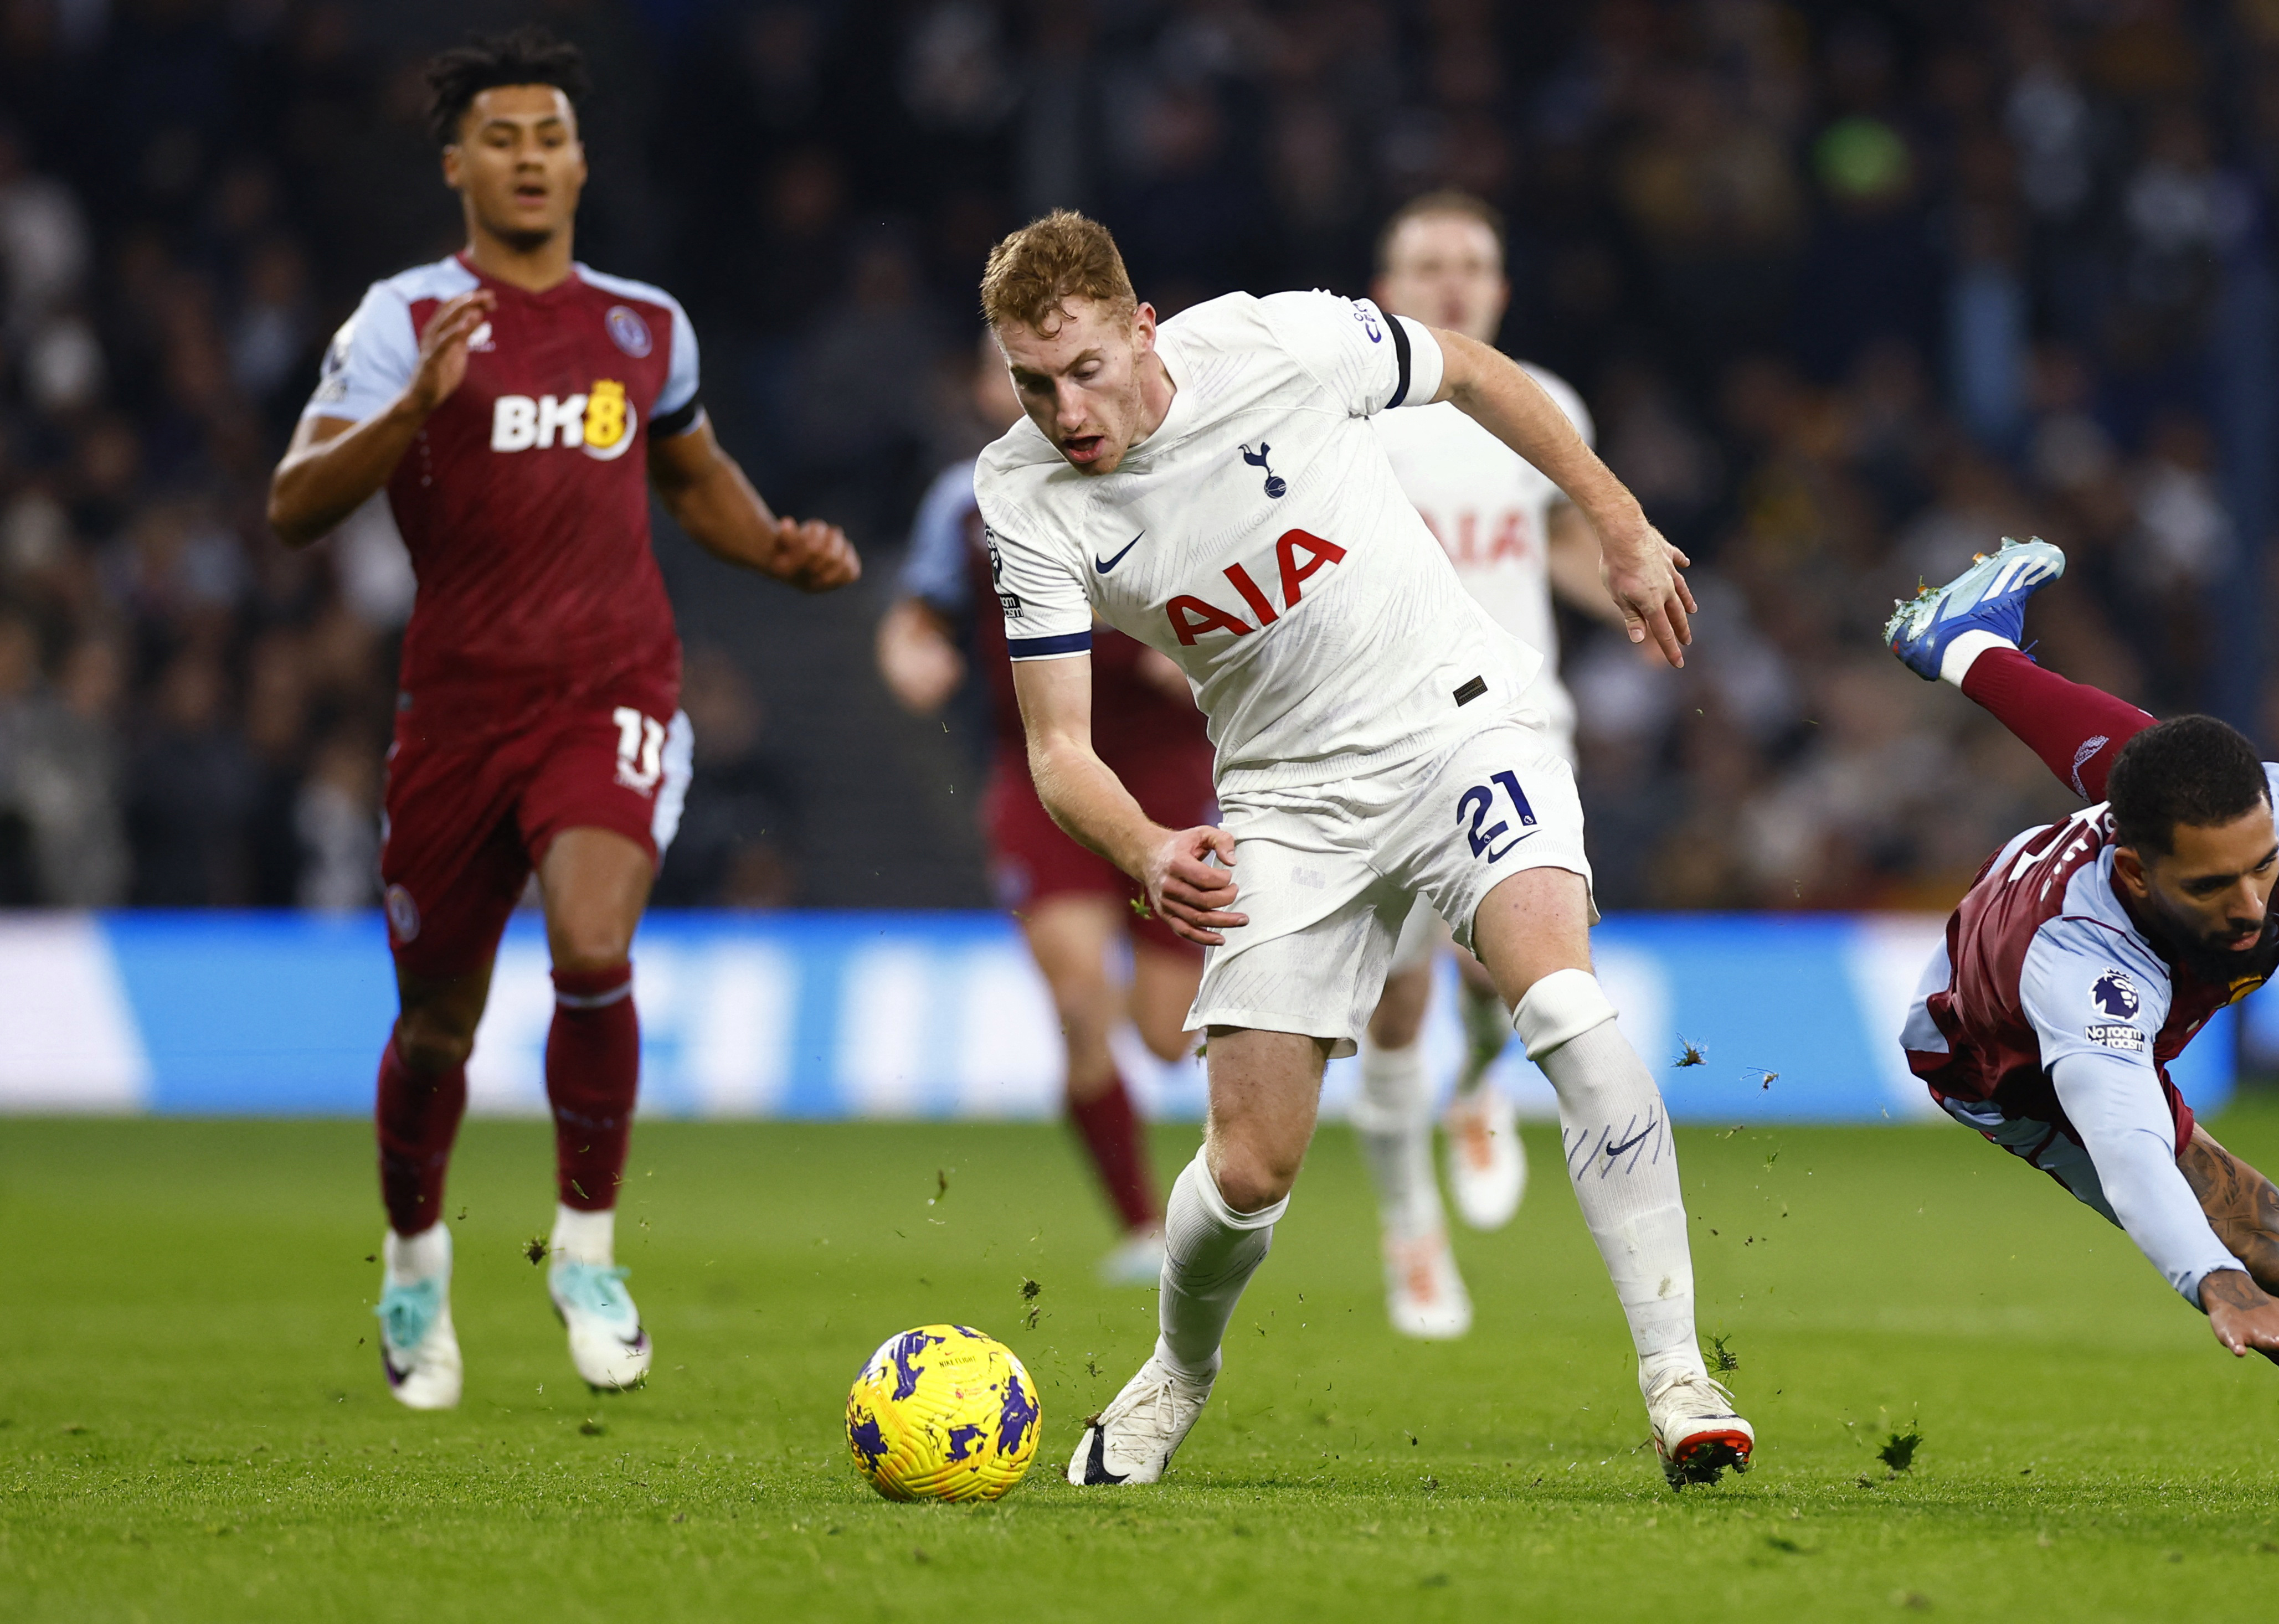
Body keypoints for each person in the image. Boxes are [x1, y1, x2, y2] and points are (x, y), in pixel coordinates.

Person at [973, 210, 1755, 1489]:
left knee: (1562, 1001)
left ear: (1141, 328)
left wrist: (1614, 522)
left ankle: (1678, 1377)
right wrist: (1147, 845)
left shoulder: (1277, 341)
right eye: (1032, 382)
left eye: (1086, 370)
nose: (1065, 410)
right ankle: (1178, 1368)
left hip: (1461, 726)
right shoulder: (1021, 497)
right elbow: (1062, 752)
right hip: (1284, 800)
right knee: (1247, 1168)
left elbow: (1479, 370)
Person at [265, 28, 858, 1410]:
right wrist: (410, 410)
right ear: (458, 163)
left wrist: (776, 548)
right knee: (435, 1032)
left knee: (593, 947)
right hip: (456, 715)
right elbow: (294, 507)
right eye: (503, 138)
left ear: (582, 160)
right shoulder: (403, 320)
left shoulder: (644, 326)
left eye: (552, 135)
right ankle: (416, 1265)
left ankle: (585, 1254)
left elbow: (693, 473)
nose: (531, 157)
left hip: (612, 692)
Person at [1882, 538, 2279, 1494]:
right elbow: (2128, 1141)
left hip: (2118, 876)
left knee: (2153, 757)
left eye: (2262, 865)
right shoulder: (2077, 961)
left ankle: (1964, 646)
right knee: (2274, 1248)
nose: (2257, 903)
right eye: (2217, 883)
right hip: (1991, 1053)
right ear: (2136, 874)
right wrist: (2216, 1282)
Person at [877, 342, 1213, 1286]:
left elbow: (1233, 622)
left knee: (1166, 1033)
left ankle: (1218, 1187)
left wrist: (1189, 666)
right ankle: (1145, 1229)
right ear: (991, 390)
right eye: (1013, 375)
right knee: (1075, 1006)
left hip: (1161, 773)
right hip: (1038, 775)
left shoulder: (1169, 479)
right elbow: (918, 613)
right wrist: (910, 654)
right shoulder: (965, 500)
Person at [1354, 190, 1616, 1339]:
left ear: (1500, 291)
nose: (1452, 281)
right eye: (1428, 264)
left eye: (1473, 264)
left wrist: (1635, 581)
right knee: (1397, 1002)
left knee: (1523, 966)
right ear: (1386, 291)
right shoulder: (1348, 418)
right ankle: (1409, 1232)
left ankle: (1472, 1092)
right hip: (1382, 737)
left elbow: (1559, 542)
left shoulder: (1546, 406)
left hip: (1518, 721)